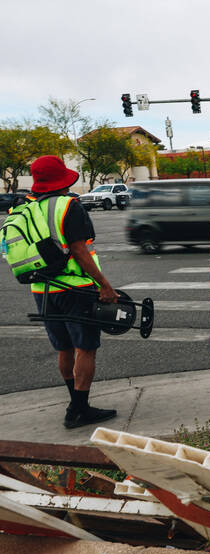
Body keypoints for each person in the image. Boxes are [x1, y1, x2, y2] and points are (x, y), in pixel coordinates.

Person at [5, 156, 119, 429]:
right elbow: (79, 251)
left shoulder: (25, 208)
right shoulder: (69, 206)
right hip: (75, 288)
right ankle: (79, 408)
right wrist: (104, 284)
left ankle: (76, 403)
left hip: (41, 289)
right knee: (86, 348)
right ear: (63, 180)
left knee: (64, 347)